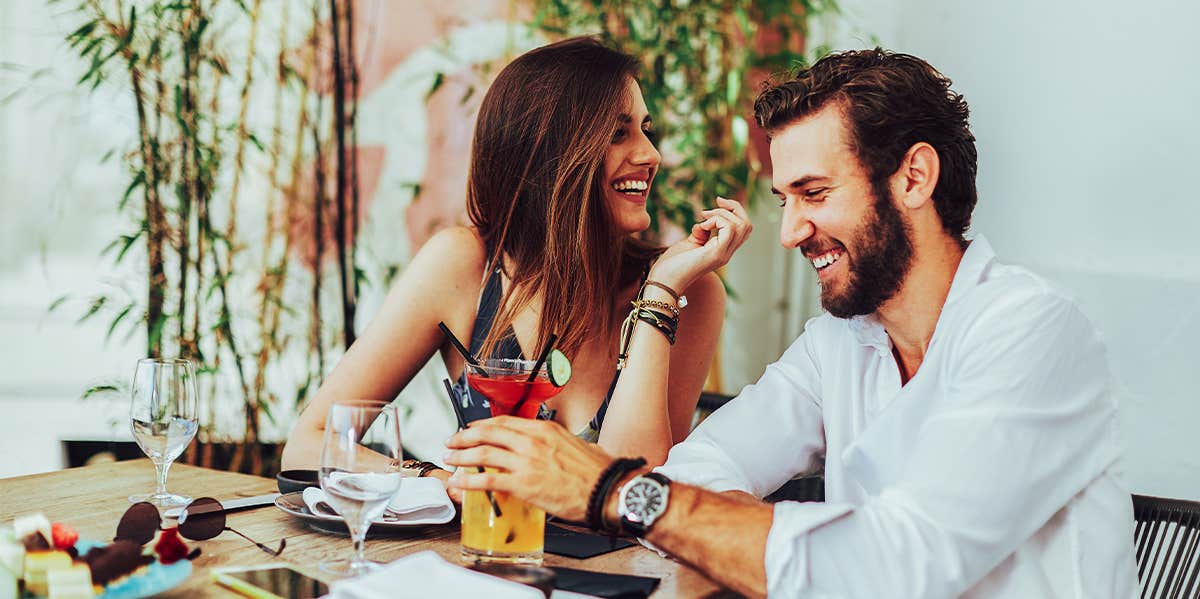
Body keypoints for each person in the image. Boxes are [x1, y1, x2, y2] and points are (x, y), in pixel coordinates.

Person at [443, 48, 1138, 598]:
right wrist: (647, 501)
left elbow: (901, 568)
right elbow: (698, 472)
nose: (791, 231)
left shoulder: (1032, 333)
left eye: (813, 193)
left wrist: (615, 492)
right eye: (783, 198)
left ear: (914, 178)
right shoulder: (840, 342)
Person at [281, 37, 751, 485]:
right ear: (549, 152)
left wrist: (661, 295)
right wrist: (437, 480)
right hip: (482, 557)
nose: (651, 154)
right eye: (616, 133)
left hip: (615, 568)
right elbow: (310, 442)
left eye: (646, 131)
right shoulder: (465, 266)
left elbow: (638, 493)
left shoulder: (685, 292)